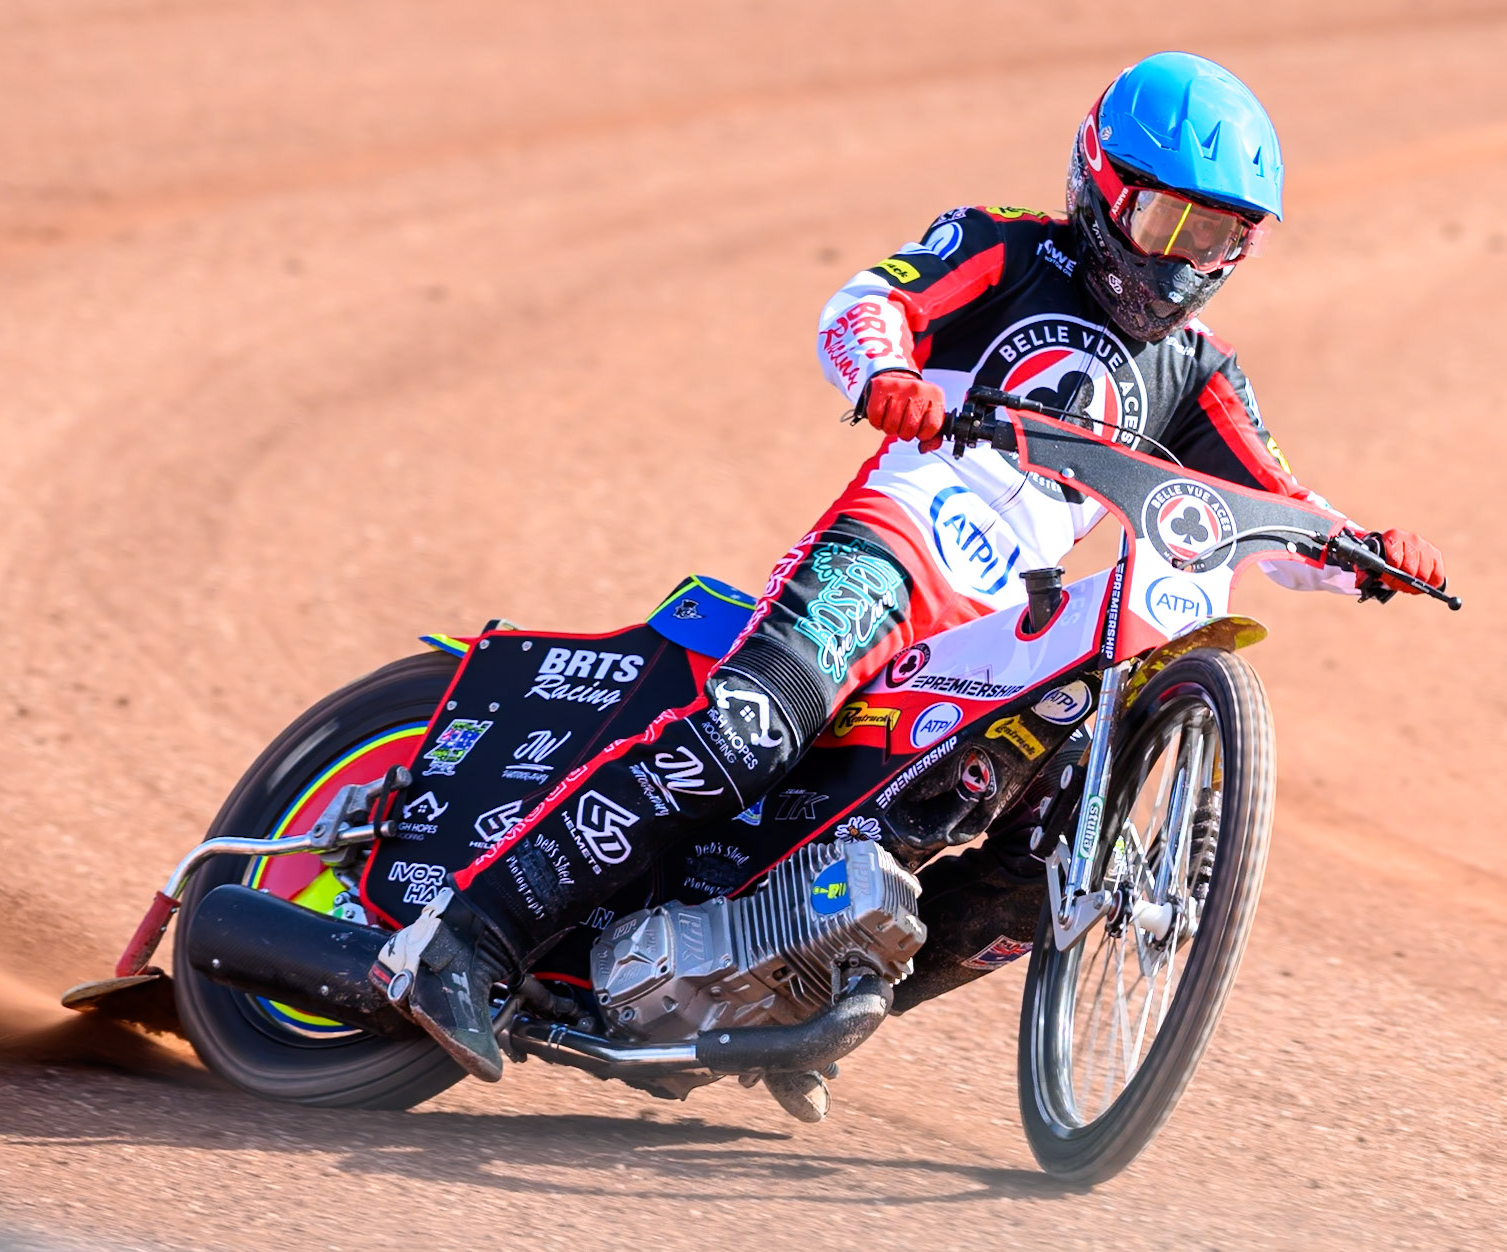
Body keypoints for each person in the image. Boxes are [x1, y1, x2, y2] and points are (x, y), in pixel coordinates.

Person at [376, 52, 1446, 1082]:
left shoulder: (1199, 373)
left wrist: (1363, 555)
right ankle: (468, 937)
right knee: (753, 724)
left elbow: (1276, 506)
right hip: (893, 546)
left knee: (1042, 848)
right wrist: (888, 372)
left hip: (997, 627)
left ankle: (804, 992)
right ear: (1098, 180)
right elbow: (862, 308)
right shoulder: (1007, 249)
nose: (1181, 259)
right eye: (1165, 221)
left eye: (1216, 237)